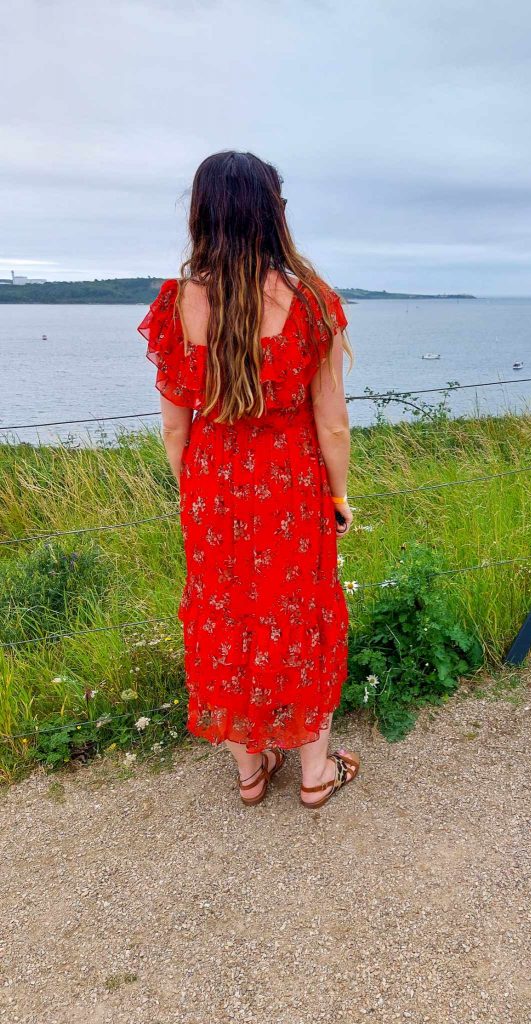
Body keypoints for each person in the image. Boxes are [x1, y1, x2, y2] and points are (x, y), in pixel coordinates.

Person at [138, 151, 359, 809]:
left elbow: (176, 432)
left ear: (203, 215)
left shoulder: (179, 303)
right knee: (300, 613)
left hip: (213, 489)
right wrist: (340, 496)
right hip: (291, 488)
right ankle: (315, 774)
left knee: (224, 618)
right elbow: (334, 425)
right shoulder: (310, 302)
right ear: (271, 213)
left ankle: (251, 771)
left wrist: (202, 495)